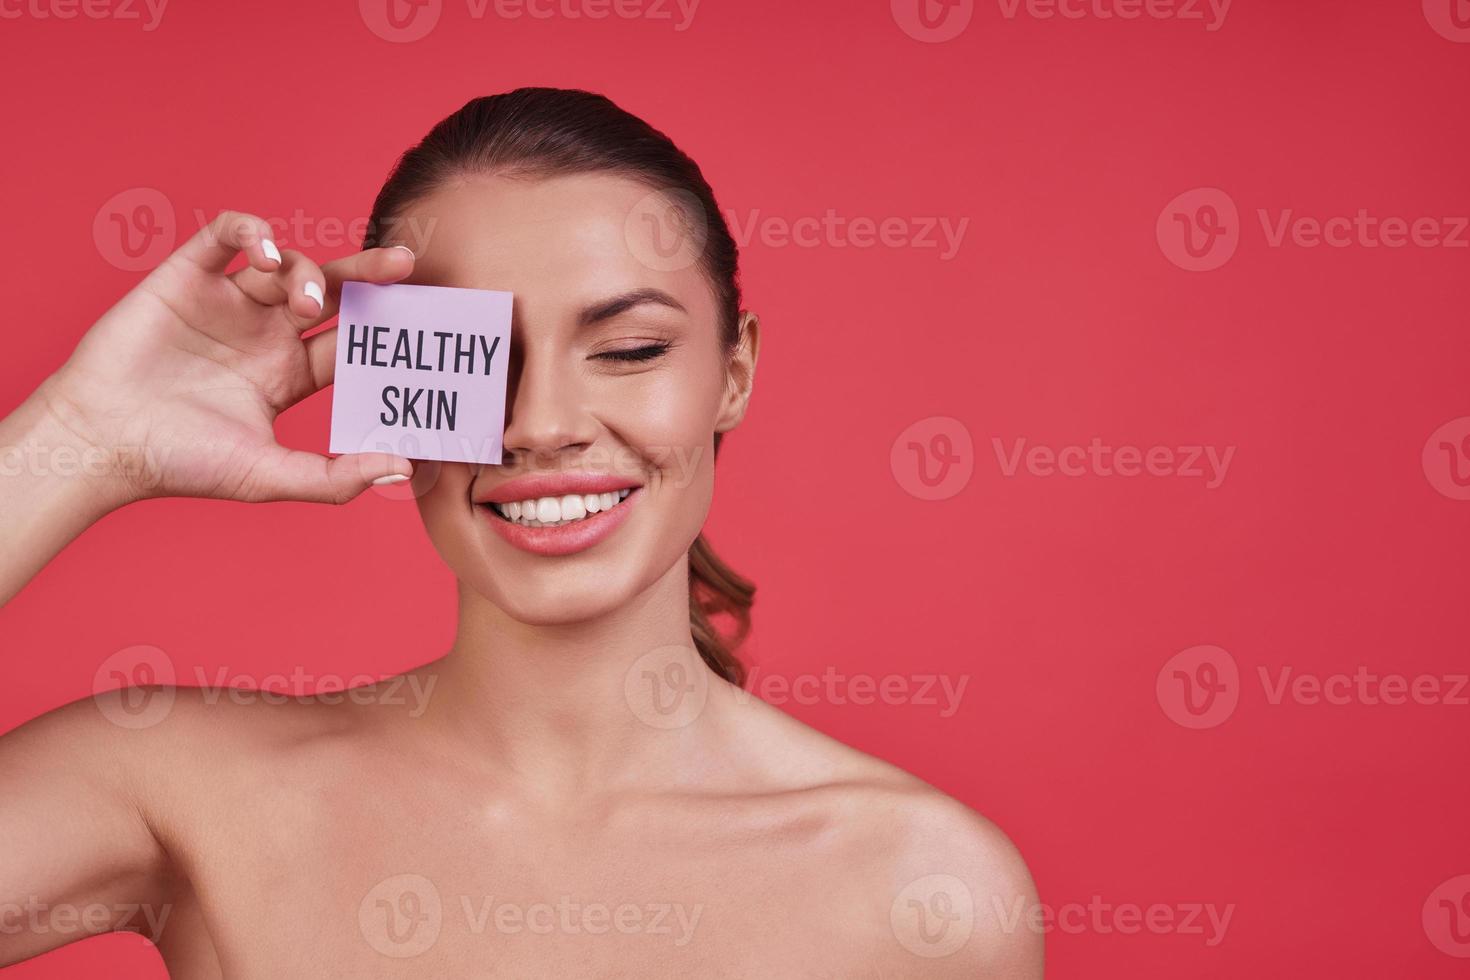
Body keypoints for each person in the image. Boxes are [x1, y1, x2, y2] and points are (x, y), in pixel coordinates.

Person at [0, 87, 1041, 977]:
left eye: (629, 347)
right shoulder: (182, 786)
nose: (540, 422)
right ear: (381, 381)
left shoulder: (924, 886)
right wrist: (80, 439)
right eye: (473, 354)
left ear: (733, 374)